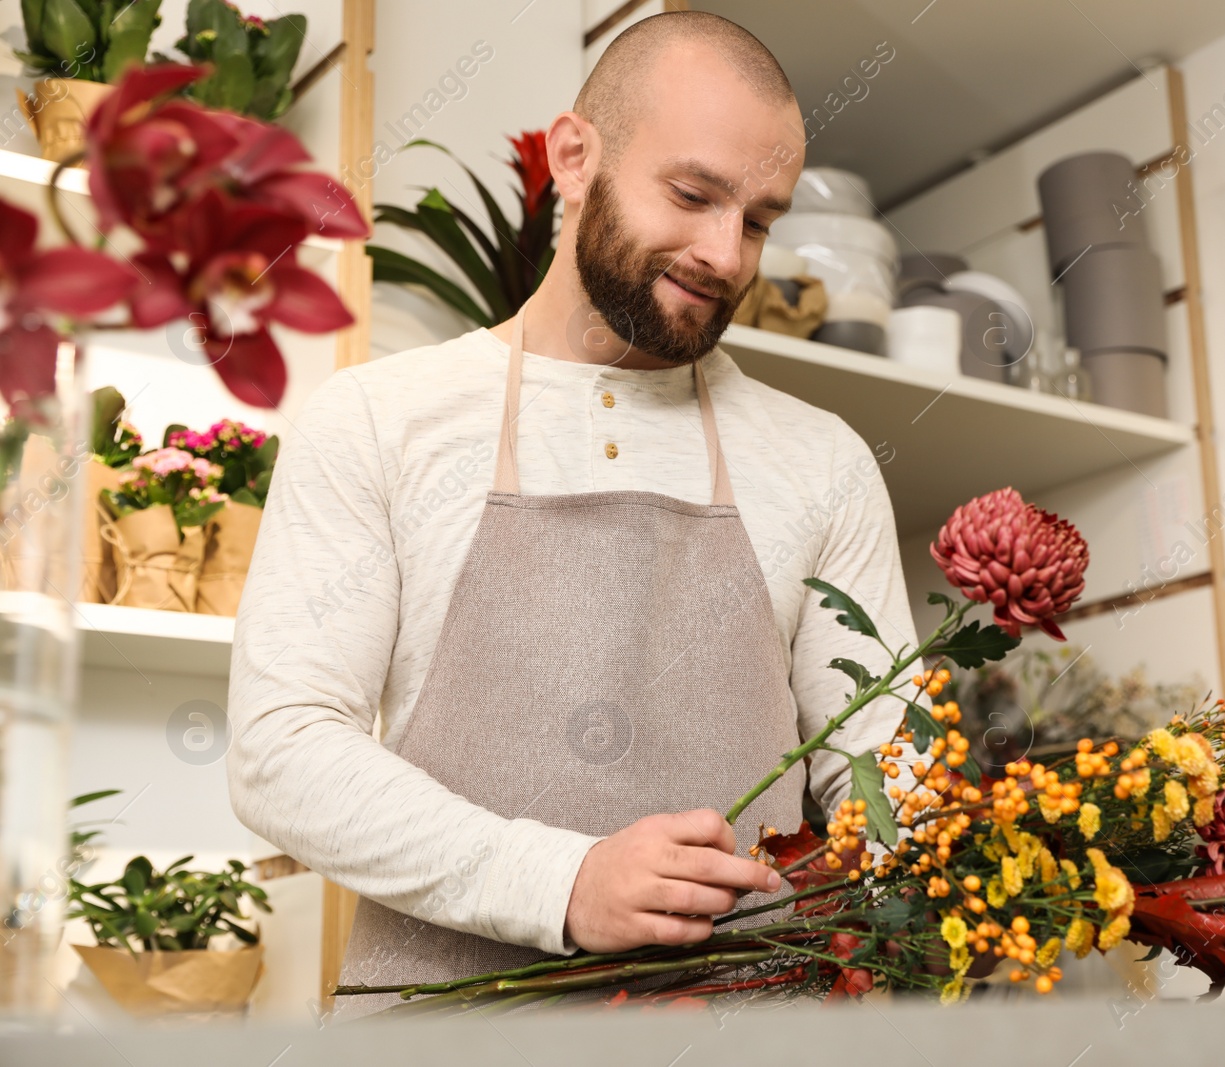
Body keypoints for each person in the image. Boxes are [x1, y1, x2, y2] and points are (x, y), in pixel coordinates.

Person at [225, 11, 918, 1016]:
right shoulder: (380, 420)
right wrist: (561, 881)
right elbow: (282, 749)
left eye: (759, 219)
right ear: (575, 156)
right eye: (691, 194)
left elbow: (890, 781)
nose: (726, 254)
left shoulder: (824, 462)